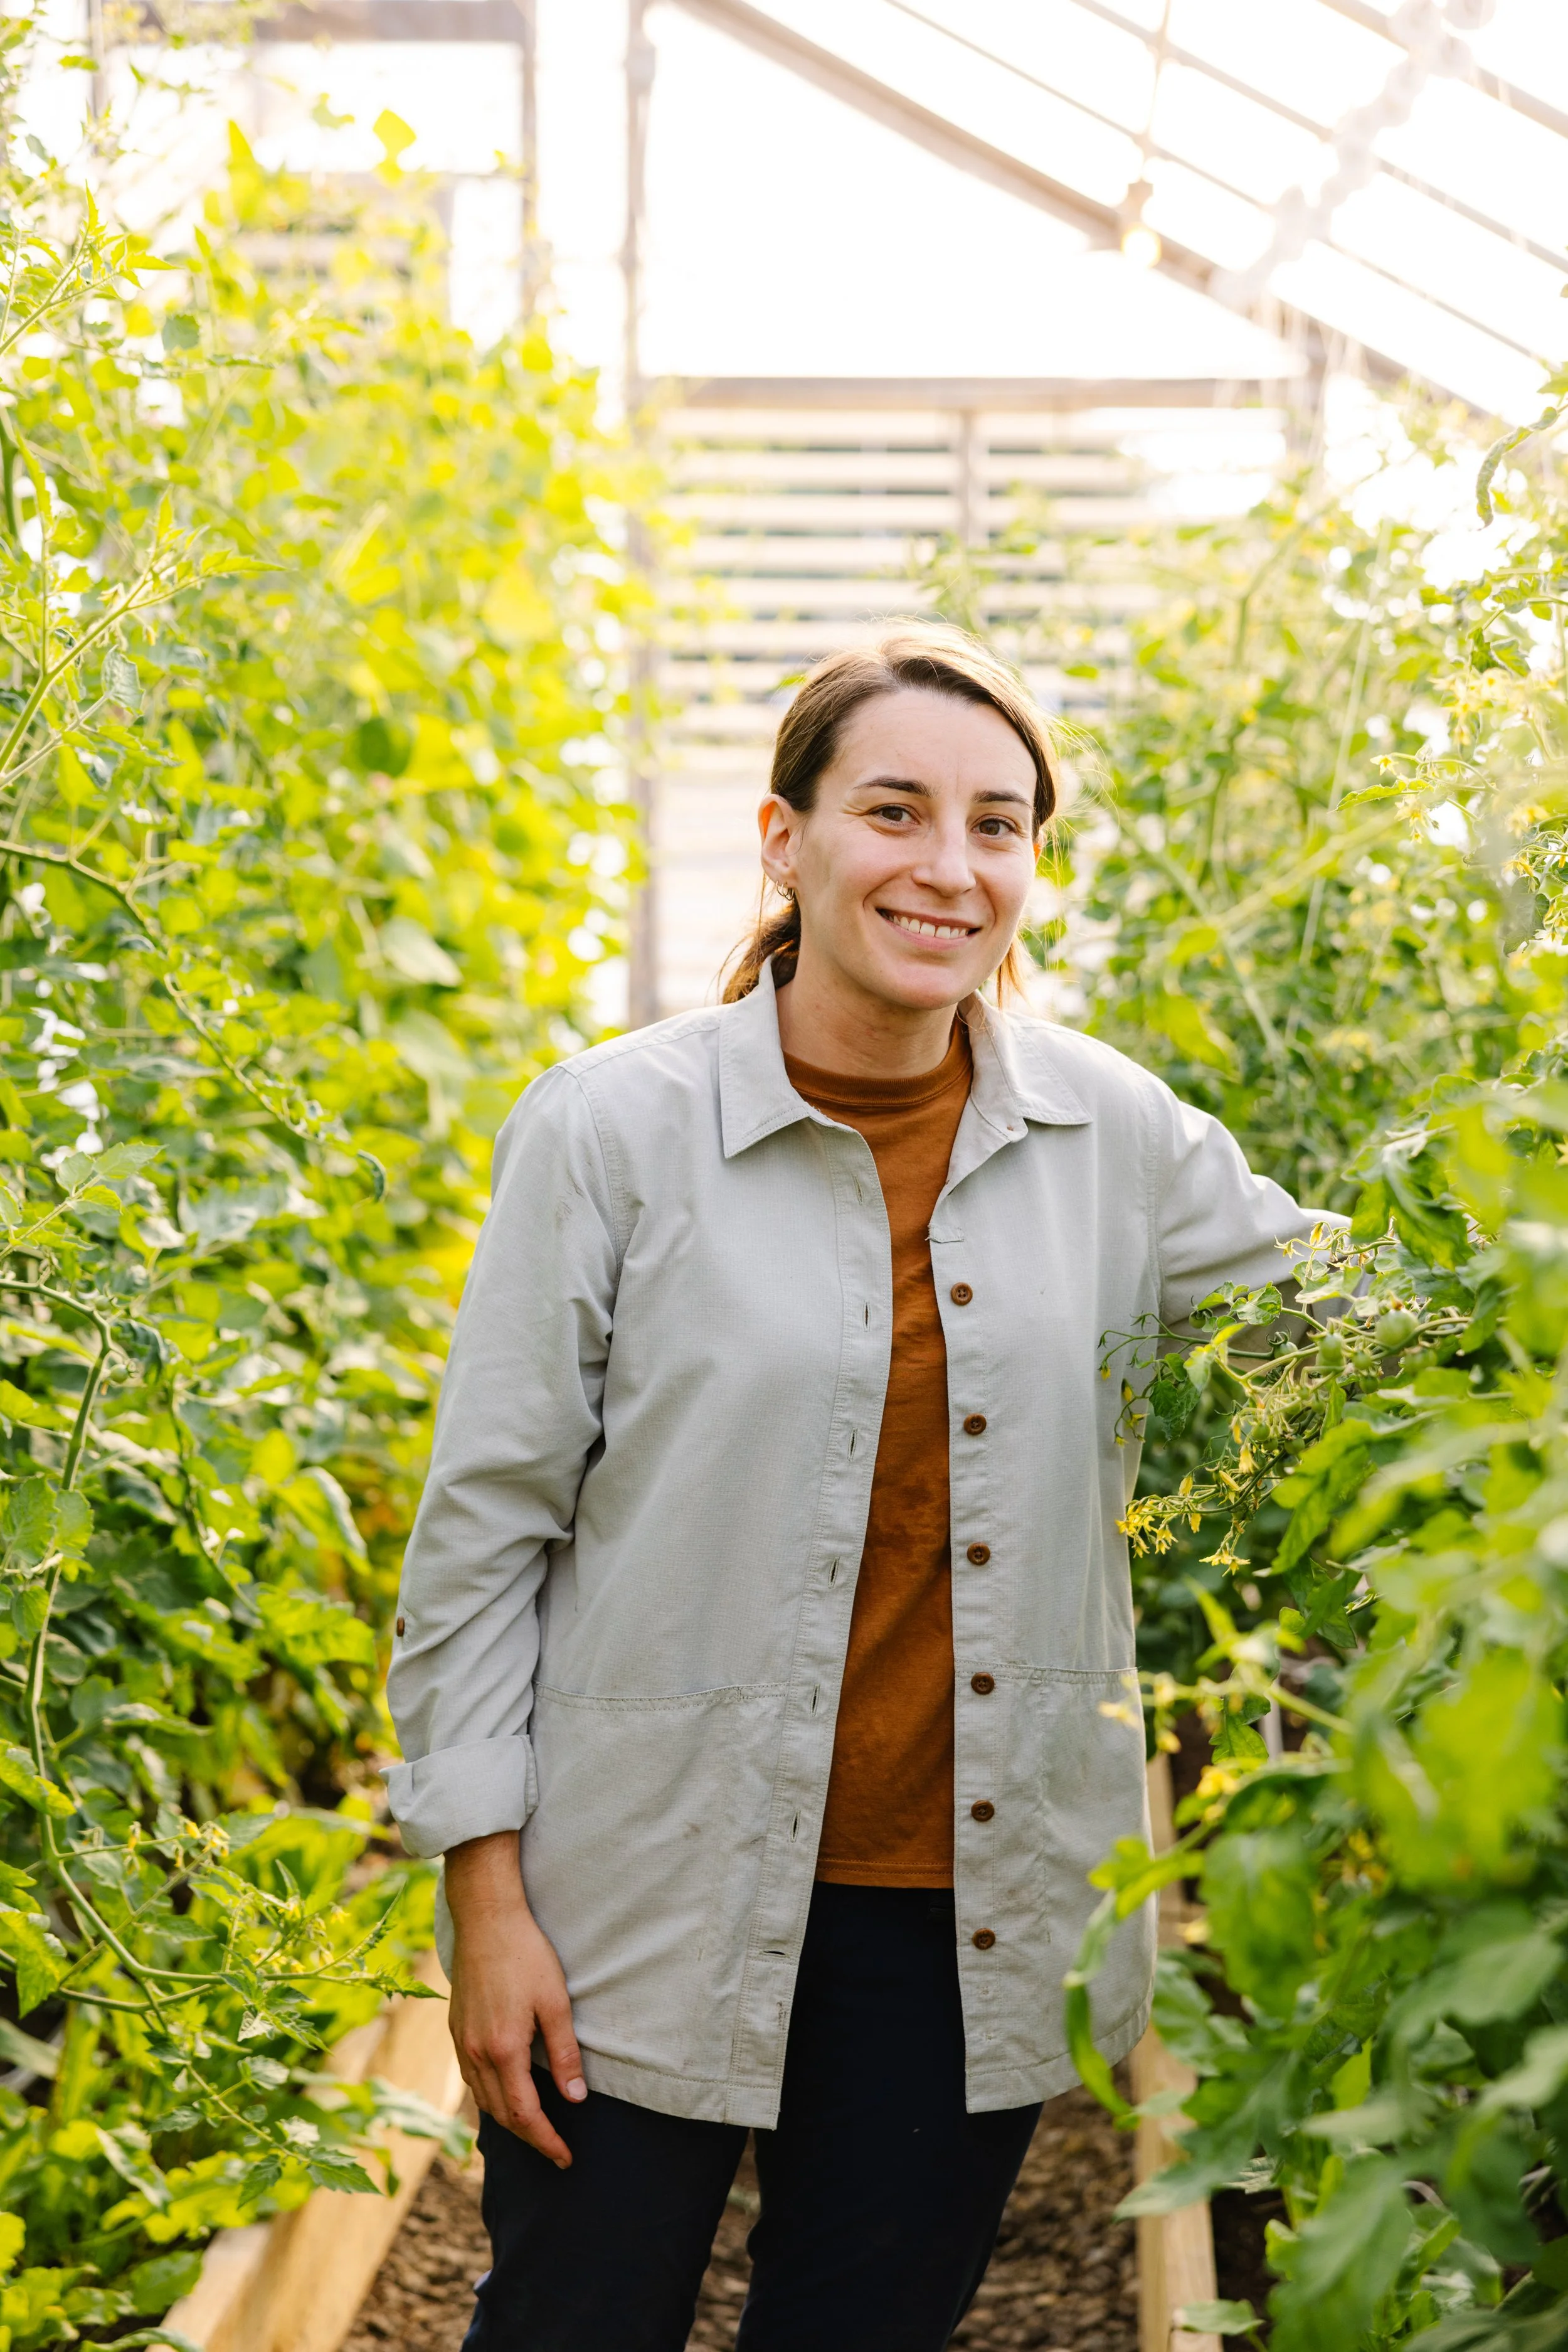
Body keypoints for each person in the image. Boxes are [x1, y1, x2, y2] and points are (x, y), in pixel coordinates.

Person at [386, 622, 1330, 2352]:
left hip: (957, 1906)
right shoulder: (609, 1131)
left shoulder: (1109, 1137)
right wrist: (485, 1895)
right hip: (638, 1893)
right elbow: (485, 1531)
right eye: (894, 810)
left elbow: (1356, 1305)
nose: (948, 867)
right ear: (783, 839)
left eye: (998, 825)